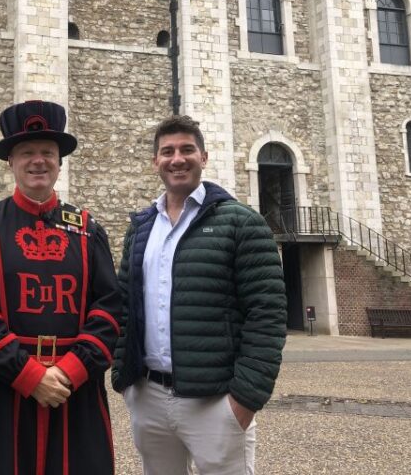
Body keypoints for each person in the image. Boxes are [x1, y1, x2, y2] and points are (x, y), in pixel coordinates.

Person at [0, 100, 122, 475]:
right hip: (1, 388)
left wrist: (73, 370)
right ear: (11, 162)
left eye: (48, 152)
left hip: (73, 389)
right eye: (27, 152)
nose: (38, 160)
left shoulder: (88, 229)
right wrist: (28, 376)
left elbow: (109, 308)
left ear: (60, 162)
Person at [111, 115, 286, 475]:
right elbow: (125, 306)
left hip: (215, 400)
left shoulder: (241, 222)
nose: (178, 159)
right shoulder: (141, 227)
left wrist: (244, 400)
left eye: (187, 149)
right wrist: (125, 377)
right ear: (155, 161)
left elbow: (267, 313)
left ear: (203, 157)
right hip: (149, 396)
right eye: (168, 151)